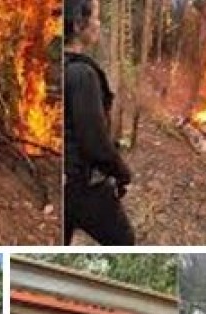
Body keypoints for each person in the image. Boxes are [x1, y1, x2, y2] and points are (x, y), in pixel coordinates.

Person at [64, 0, 135, 246]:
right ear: (77, 24)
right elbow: (94, 144)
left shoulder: (57, 67)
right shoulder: (82, 74)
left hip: (63, 182)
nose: (98, 23)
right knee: (124, 242)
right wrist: (122, 173)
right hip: (82, 186)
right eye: (95, 16)